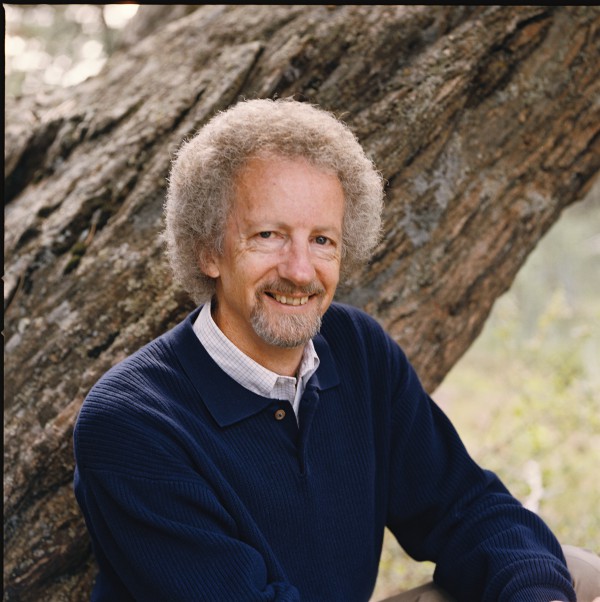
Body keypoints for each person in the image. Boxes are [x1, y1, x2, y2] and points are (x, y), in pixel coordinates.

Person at [73, 98, 599, 601]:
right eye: (269, 235)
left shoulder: (357, 349)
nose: (300, 271)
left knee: (573, 573)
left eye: (322, 240)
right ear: (208, 249)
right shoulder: (130, 421)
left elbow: (465, 507)